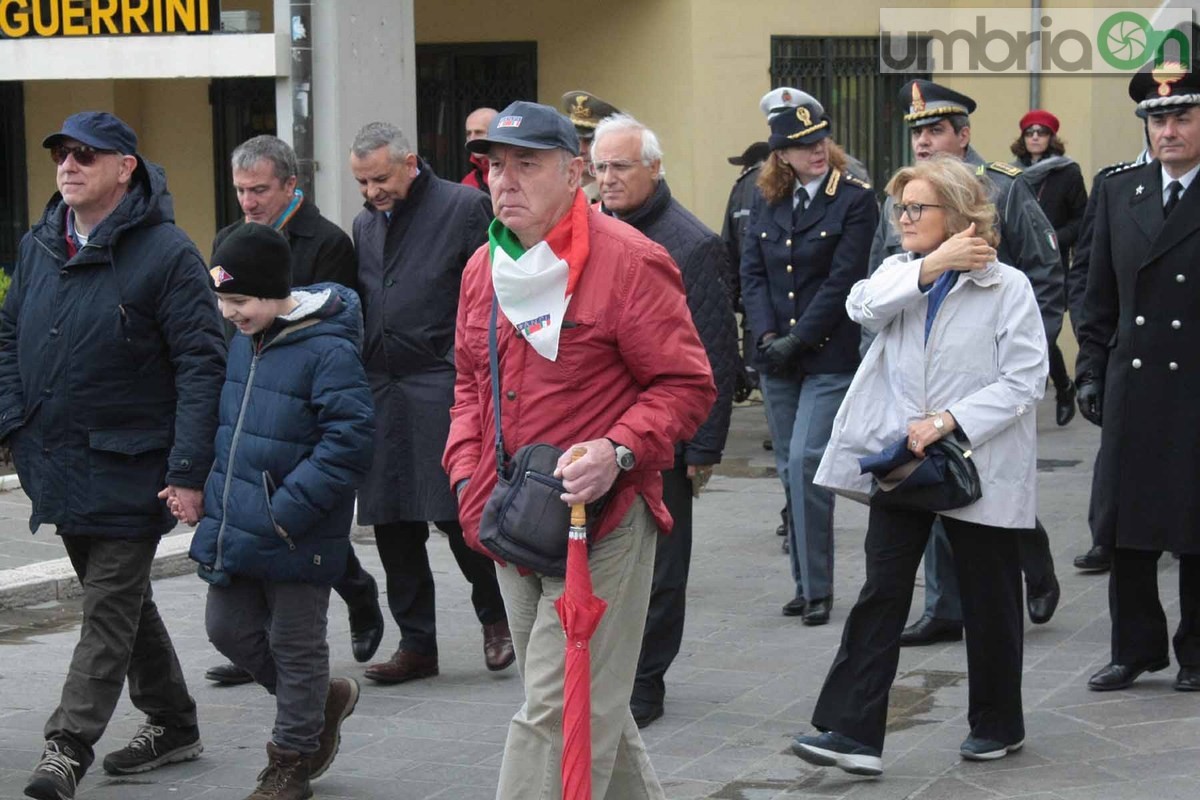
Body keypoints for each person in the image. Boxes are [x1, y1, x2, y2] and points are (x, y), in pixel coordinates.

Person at [444, 100, 715, 799]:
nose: (505, 181)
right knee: (587, 707)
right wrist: (468, 479)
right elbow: (470, 384)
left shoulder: (630, 261)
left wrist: (618, 451)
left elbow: (687, 384)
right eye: (495, 165)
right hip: (510, 521)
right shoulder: (484, 266)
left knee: (555, 713)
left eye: (526, 165)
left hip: (600, 527)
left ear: (573, 173)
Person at [794, 154, 1047, 776]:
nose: (903, 218)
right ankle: (852, 733)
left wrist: (949, 419)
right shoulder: (898, 273)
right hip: (905, 463)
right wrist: (929, 267)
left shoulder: (1005, 286)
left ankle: (996, 724)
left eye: (917, 208)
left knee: (989, 599)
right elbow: (861, 307)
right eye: (899, 207)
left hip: (975, 459)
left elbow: (1026, 379)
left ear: (959, 213)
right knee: (882, 589)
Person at [0, 111, 225, 800]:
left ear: (125, 167)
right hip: (57, 463)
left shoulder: (167, 253)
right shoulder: (41, 245)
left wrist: (188, 472)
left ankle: (66, 747)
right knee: (121, 603)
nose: (68, 166)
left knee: (106, 609)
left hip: (134, 468)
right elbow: (9, 340)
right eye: (62, 154)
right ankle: (173, 722)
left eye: (85, 156)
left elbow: (200, 364)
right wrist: (14, 424)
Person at [870, 80, 1062, 646]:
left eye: (935, 131)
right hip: (923, 374)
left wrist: (1029, 347)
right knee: (935, 483)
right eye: (917, 132)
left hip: (989, 377)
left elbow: (1044, 274)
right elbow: (886, 275)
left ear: (963, 134)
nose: (923, 142)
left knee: (987, 490)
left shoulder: (1003, 186)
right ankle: (946, 607)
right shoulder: (903, 195)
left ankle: (1035, 559)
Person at [190, 223, 374, 798]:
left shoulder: (328, 349)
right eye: (221, 299)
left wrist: (289, 507)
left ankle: (290, 760)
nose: (229, 313)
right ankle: (321, 702)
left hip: (298, 530)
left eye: (239, 300)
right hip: (240, 523)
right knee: (227, 629)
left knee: (296, 646)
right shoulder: (248, 341)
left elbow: (350, 438)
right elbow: (232, 427)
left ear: (275, 291)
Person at [205, 134, 383, 687]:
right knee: (268, 548)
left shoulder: (326, 242)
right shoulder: (232, 243)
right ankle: (273, 664)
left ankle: (356, 598)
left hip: (303, 413)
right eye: (240, 191)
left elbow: (334, 335)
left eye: (259, 189)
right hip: (260, 418)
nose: (249, 201)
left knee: (300, 538)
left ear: (290, 184)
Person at [348, 122, 515, 684]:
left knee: (457, 511)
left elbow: (488, 293)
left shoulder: (465, 206)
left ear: (410, 161)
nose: (372, 192)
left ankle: (499, 621)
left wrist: (461, 365)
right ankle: (417, 644)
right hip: (382, 388)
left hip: (441, 382)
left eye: (379, 178)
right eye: (362, 182)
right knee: (393, 524)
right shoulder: (364, 225)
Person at [592, 113, 739, 727]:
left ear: (654, 168)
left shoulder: (692, 243)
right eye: (599, 167)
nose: (607, 179)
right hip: (599, 428)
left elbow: (712, 352)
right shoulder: (588, 230)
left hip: (667, 436)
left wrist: (701, 446)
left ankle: (646, 683)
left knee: (662, 569)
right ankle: (605, 672)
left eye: (620, 166)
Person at [1076, 60, 1200, 694]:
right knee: (1125, 524)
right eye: (1157, 119)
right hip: (1135, 379)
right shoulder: (1121, 190)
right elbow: (1097, 291)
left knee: (1196, 523)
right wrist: (1090, 369)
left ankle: (1198, 651)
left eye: (1181, 116)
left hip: (1196, 386)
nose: (1168, 131)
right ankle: (1135, 648)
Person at [740, 96, 878, 626]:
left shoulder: (855, 201)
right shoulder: (768, 199)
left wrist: (797, 340)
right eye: (802, 144)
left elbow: (843, 279)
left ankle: (818, 587)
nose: (816, 150)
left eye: (820, 139)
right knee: (786, 470)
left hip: (827, 356)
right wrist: (769, 334)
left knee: (805, 463)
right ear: (781, 154)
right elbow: (752, 271)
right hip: (779, 357)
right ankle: (804, 583)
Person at [1009, 110, 1088, 426]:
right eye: (1030, 133)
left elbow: (1082, 221)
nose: (1036, 137)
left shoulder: (1068, 173)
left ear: (1051, 137)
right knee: (1029, 330)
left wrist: (1053, 237)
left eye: (1041, 132)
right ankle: (1059, 386)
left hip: (1052, 263)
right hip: (1018, 263)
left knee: (1043, 329)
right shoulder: (1012, 174)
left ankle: (1061, 389)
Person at [721, 140, 770, 408]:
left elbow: (728, 249)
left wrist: (730, 300)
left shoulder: (741, 188)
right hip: (788, 303)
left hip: (753, 303)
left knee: (760, 370)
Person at [561, 89, 620, 203]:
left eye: (591, 141)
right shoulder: (558, 193)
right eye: (576, 140)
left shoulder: (615, 200)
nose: (581, 150)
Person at [462, 107, 498, 191]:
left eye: (479, 132)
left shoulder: (515, 174)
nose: (472, 138)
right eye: (468, 134)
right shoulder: (468, 182)